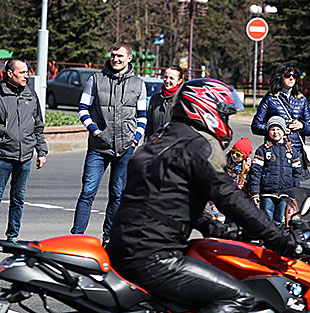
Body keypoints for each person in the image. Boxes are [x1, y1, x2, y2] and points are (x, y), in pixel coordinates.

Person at [106, 78, 299, 312]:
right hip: (153, 256)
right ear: (205, 108)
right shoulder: (196, 145)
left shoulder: (161, 139)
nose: (225, 122)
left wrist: (216, 229)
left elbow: (168, 199)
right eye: (223, 114)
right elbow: (229, 196)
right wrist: (279, 237)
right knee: (242, 297)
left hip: (125, 247)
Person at [71, 41, 147, 245]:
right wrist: (94, 130)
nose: (115, 59)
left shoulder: (138, 84)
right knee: (87, 192)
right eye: (113, 55)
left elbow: (142, 116)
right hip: (98, 148)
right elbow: (82, 109)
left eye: (120, 56)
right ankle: (76, 237)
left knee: (117, 194)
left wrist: (135, 139)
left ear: (129, 58)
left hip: (125, 148)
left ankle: (108, 237)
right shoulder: (95, 79)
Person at [0, 59, 48, 243]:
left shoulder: (30, 94)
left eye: (27, 72)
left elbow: (38, 125)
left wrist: (41, 152)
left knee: (18, 199)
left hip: (25, 156)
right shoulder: (1, 93)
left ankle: (12, 236)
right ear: (10, 74)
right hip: (3, 155)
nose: (26, 75)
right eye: (22, 72)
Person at [251, 62, 310, 180]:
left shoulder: (301, 99)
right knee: (274, 188)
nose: (291, 78)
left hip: (296, 152)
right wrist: (276, 129)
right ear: (280, 77)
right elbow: (255, 126)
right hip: (275, 150)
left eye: (294, 76)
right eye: (287, 75)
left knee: (293, 191)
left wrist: (302, 125)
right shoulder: (270, 98)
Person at [250, 116, 302, 227]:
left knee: (279, 219)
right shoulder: (263, 149)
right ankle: (264, 241)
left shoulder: (291, 150)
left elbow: (296, 173)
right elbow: (256, 172)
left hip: (285, 192)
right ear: (268, 131)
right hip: (267, 192)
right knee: (266, 218)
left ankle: (275, 242)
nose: (275, 132)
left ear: (284, 131)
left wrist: (294, 192)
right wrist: (255, 193)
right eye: (272, 129)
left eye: (278, 129)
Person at [144, 65, 184, 140]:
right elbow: (149, 125)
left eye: (171, 78)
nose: (167, 80)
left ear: (179, 81)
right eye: (165, 77)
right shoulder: (155, 99)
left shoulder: (181, 100)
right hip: (155, 146)